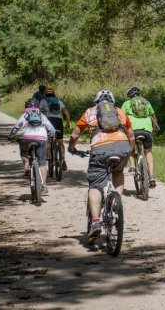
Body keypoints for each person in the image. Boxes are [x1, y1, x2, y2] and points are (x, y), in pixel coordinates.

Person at [68, 90, 135, 239]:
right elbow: (131, 135)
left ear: (96, 101)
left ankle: (96, 222)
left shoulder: (90, 112)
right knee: (118, 173)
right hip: (122, 148)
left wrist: (72, 147)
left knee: (96, 185)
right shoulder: (120, 112)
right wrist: (129, 151)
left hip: (100, 149)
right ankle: (116, 203)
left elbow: (74, 134)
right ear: (112, 101)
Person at [8, 98, 56, 195]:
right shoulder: (42, 115)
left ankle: (26, 165)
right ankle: (44, 186)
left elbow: (16, 127)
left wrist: (11, 136)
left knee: (24, 151)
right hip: (41, 138)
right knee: (42, 162)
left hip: (27, 137)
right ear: (38, 107)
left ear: (26, 107)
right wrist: (51, 134)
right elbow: (51, 129)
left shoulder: (25, 115)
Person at [121, 86, 159, 188]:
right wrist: (154, 129)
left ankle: (133, 167)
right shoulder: (146, 102)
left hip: (133, 130)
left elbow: (121, 118)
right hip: (147, 130)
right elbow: (153, 117)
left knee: (130, 147)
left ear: (129, 96)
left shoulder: (126, 104)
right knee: (148, 152)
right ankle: (151, 176)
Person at [39, 87, 71, 170]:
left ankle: (50, 158)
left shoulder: (43, 101)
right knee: (60, 142)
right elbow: (66, 113)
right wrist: (67, 123)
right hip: (58, 121)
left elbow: (38, 112)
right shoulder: (58, 101)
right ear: (54, 93)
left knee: (48, 140)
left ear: (45, 94)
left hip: (49, 121)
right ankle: (63, 161)